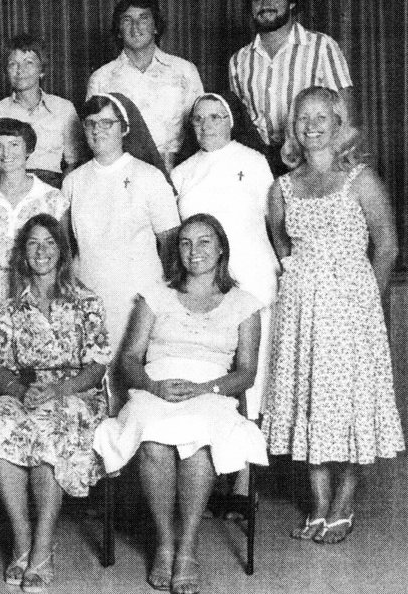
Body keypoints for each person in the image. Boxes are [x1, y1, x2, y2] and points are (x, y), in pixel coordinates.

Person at [93, 214, 269, 594]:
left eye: (205, 242)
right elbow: (128, 360)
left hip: (213, 390)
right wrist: (153, 387)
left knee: (199, 441)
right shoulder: (156, 296)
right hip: (156, 385)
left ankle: (187, 548)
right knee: (153, 439)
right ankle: (165, 543)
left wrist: (208, 387)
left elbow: (247, 373)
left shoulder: (244, 304)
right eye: (186, 243)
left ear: (221, 248)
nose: (195, 251)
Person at [261, 86, 403, 544]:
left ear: (338, 123)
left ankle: (343, 503)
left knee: (348, 402)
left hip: (351, 308)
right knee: (309, 400)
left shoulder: (360, 179)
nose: (312, 125)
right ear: (293, 128)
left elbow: (386, 247)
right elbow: (283, 246)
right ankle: (318, 503)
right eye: (303, 118)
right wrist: (307, 283)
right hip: (302, 307)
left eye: (322, 116)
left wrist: (366, 302)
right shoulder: (281, 186)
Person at [0, 214, 110, 593]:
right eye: (33, 243)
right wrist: (22, 393)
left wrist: (57, 392)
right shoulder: (8, 309)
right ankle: (22, 537)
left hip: (77, 394)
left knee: (49, 423)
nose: (41, 251)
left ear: (62, 250)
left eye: (49, 243)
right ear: (23, 252)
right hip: (27, 390)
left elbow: (98, 365)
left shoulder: (86, 300)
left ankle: (42, 545)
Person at [172, 94, 277, 417]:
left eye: (216, 117)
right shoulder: (182, 173)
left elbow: (277, 222)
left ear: (231, 120)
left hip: (253, 275)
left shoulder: (254, 161)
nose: (207, 125)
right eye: (199, 119)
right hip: (206, 285)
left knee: (258, 367)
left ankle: (259, 454)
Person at [62, 93, 179, 360]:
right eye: (91, 123)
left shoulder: (149, 177)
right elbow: (68, 245)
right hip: (89, 295)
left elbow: (170, 243)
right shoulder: (73, 181)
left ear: (124, 128)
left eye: (107, 123)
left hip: (137, 297)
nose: (97, 130)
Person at [229, 0, 354, 177]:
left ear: (291, 2)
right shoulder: (238, 60)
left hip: (312, 156)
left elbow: (346, 108)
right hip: (261, 162)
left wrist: (335, 162)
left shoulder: (322, 46)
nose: (266, 5)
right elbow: (240, 121)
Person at [0, 118, 67, 373]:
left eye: (14, 145)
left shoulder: (52, 198)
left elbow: (66, 251)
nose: (6, 153)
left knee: (41, 362)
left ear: (29, 150)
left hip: (41, 289)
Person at [86, 0, 203, 173]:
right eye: (127, 20)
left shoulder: (184, 71)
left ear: (156, 27)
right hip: (123, 172)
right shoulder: (102, 78)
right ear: (118, 31)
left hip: (176, 169)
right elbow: (94, 132)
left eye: (143, 18)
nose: (135, 27)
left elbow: (198, 126)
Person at [0, 34, 82, 188]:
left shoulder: (63, 108)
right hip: (8, 188)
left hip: (52, 188)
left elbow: (74, 163)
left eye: (29, 63)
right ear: (6, 71)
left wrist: (61, 196)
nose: (20, 70)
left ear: (42, 71)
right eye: (13, 64)